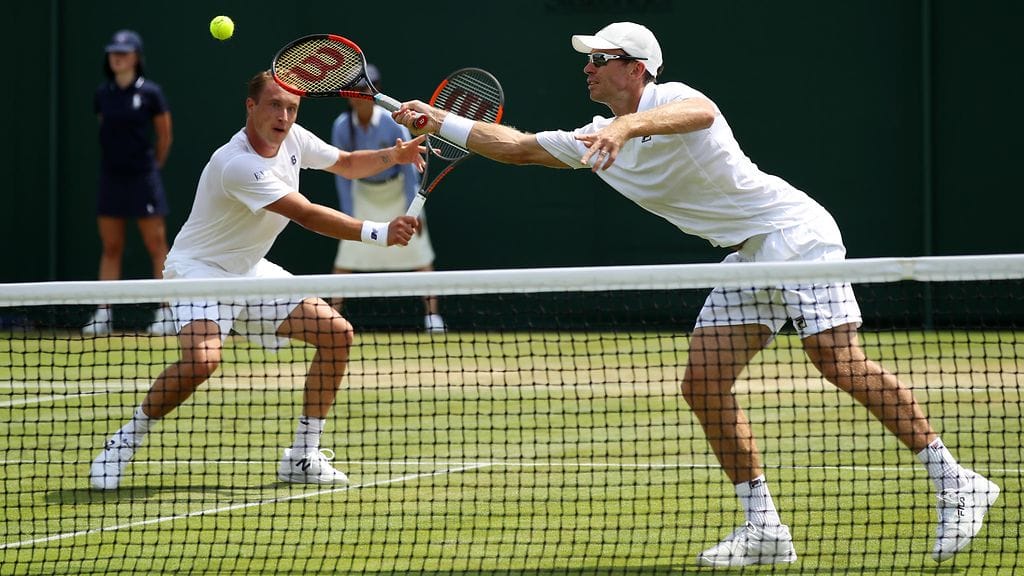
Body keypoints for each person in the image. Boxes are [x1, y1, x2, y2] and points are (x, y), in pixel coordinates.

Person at [392, 22, 999, 567]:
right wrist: (438, 121)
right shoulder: (594, 139)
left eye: (600, 58)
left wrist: (627, 125)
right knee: (703, 383)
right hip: (747, 254)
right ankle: (765, 529)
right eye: (588, 59)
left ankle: (955, 481)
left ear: (636, 68)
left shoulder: (671, 100)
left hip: (793, 234)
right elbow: (518, 147)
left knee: (836, 361)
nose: (587, 67)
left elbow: (701, 114)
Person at [89, 70, 425, 490]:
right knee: (202, 361)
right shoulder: (237, 164)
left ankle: (302, 456)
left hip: (250, 268)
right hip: (199, 270)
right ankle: (124, 441)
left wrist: (394, 156)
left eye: (291, 108)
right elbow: (305, 214)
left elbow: (344, 162)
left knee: (337, 334)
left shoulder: (295, 138)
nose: (284, 116)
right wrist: (378, 231)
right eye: (274, 105)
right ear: (251, 106)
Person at [330, 64, 446, 333]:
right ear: (349, 95)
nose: (361, 94)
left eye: (366, 89)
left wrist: (411, 212)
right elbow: (342, 174)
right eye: (356, 90)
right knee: (344, 260)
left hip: (397, 193)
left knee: (421, 256)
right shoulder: (341, 127)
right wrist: (348, 213)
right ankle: (330, 319)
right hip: (363, 194)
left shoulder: (390, 122)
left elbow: (408, 170)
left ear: (376, 91)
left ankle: (433, 318)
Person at [83, 29, 176, 337]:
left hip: (143, 178)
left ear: (136, 57)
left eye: (123, 52)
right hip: (112, 177)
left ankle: (165, 313)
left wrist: (152, 167)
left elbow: (164, 136)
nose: (117, 57)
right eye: (113, 52)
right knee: (111, 246)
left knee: (156, 245)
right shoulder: (102, 94)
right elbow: (103, 131)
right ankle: (103, 314)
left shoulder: (151, 93)